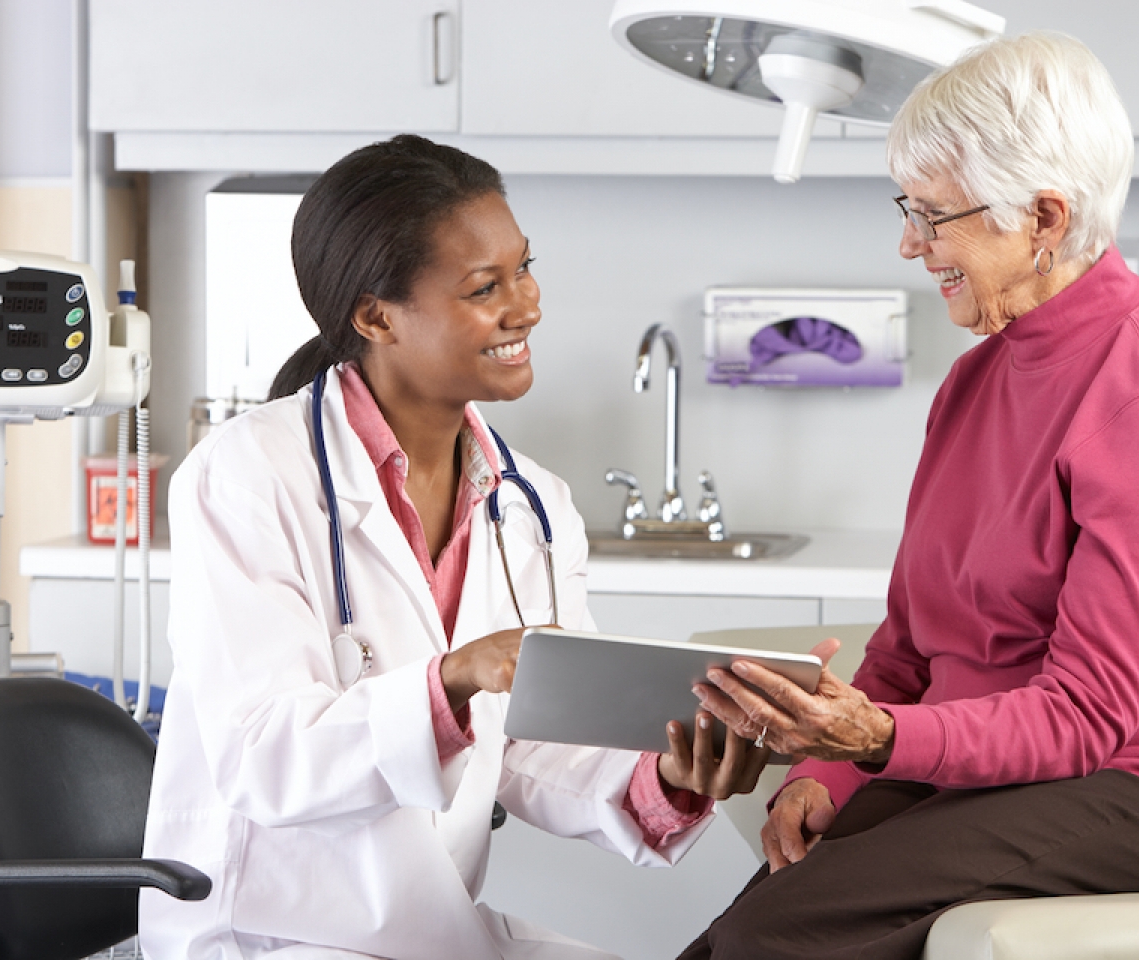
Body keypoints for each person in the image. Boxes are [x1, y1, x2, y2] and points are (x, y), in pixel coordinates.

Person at [680, 32, 1139, 960]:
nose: (910, 244)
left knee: (774, 938)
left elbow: (1086, 716)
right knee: (728, 935)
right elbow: (909, 644)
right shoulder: (975, 382)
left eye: (934, 216)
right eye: (907, 209)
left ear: (1043, 217)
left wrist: (877, 739)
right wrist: (830, 778)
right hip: (1006, 771)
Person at [139, 134, 770, 960]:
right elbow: (266, 757)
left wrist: (671, 780)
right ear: (375, 316)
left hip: (432, 929)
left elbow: (540, 746)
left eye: (524, 268)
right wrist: (456, 679)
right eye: (485, 287)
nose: (527, 305)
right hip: (270, 932)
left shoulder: (532, 505)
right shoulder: (248, 474)